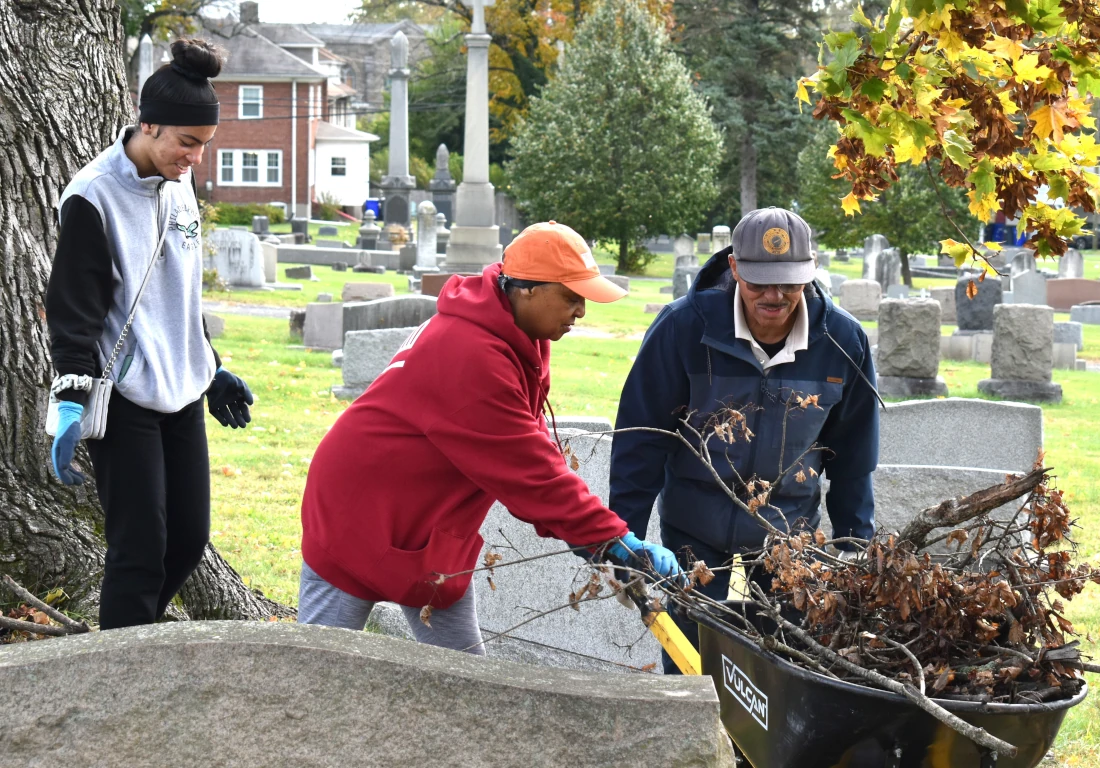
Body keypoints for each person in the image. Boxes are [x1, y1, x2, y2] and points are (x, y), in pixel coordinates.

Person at [298, 221, 681, 653]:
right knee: (319, 672)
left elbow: (534, 454)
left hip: (430, 527)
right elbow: (531, 474)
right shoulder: (471, 355)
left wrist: (600, 543)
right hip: (357, 513)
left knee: (467, 679)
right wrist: (615, 542)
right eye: (572, 297)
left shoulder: (522, 337)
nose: (581, 312)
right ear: (527, 289)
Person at [609, 207, 880, 672]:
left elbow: (853, 455)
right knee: (692, 660)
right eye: (759, 283)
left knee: (789, 663)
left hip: (788, 531)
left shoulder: (843, 340)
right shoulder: (683, 329)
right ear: (734, 268)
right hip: (694, 527)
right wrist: (623, 537)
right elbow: (642, 440)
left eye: (790, 283)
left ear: (810, 273)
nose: (775, 297)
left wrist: (855, 545)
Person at [44, 39, 254, 630]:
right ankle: (119, 681)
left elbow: (177, 292)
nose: (194, 158)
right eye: (186, 143)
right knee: (138, 550)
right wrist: (68, 399)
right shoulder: (93, 196)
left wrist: (210, 367)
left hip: (182, 385)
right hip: (126, 393)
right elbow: (74, 307)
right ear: (148, 124)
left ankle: (131, 651)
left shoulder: (178, 179)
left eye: (203, 146)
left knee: (187, 541)